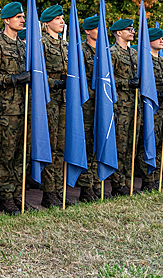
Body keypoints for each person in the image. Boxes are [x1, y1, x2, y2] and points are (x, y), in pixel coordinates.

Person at [0, 2, 37, 215]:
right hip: (7, 109)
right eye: (18, 16)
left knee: (21, 155)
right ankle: (5, 198)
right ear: (6, 20)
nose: (22, 19)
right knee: (7, 156)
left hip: (25, 108)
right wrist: (15, 79)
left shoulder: (24, 46)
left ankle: (18, 195)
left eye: (23, 16)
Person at [39, 5, 68, 208]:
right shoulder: (42, 43)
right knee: (49, 146)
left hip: (64, 100)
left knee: (60, 147)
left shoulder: (65, 45)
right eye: (57, 18)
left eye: (62, 18)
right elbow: (38, 72)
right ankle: (48, 192)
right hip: (49, 100)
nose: (62, 22)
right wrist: (55, 83)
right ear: (47, 22)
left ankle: (58, 189)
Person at [137, 28, 163, 191]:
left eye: (162, 38)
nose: (161, 40)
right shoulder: (145, 61)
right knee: (150, 142)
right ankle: (148, 180)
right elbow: (146, 88)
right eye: (158, 38)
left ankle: (158, 179)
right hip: (152, 110)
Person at [109, 18, 139, 196]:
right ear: (119, 32)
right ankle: (117, 184)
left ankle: (127, 181)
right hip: (120, 106)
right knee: (120, 146)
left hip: (134, 106)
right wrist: (128, 83)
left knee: (131, 145)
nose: (132, 32)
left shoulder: (134, 54)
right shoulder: (112, 53)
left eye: (133, 29)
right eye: (129, 29)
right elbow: (109, 80)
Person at [75, 15, 103, 202]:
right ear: (87, 31)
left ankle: (95, 183)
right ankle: (85, 187)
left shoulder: (104, 52)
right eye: (97, 28)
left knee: (97, 144)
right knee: (86, 146)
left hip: (101, 106)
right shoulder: (81, 51)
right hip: (86, 106)